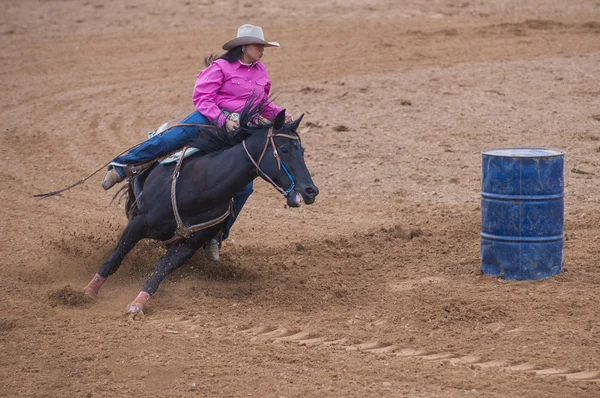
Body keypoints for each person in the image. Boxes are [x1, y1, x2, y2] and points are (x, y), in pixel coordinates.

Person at [101, 24, 292, 260]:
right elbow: (202, 98)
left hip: (238, 127)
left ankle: (216, 235)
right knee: (170, 139)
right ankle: (122, 166)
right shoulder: (220, 67)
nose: (262, 50)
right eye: (258, 46)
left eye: (263, 46)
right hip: (208, 118)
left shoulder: (260, 70)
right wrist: (221, 119)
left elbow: (261, 103)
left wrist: (279, 113)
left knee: (244, 186)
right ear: (243, 46)